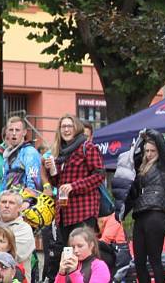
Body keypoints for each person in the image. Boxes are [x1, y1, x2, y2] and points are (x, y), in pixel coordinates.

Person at [43, 114, 105, 272]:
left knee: (84, 252)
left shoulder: (87, 147)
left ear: (76, 128)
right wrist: (53, 171)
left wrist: (74, 186)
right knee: (69, 253)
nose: (66, 129)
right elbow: (59, 183)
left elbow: (99, 175)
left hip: (83, 210)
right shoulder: (60, 151)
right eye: (63, 126)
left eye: (69, 126)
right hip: (65, 212)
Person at [117, 130, 165, 283]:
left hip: (156, 213)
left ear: (159, 151)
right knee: (139, 262)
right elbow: (131, 196)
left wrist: (147, 133)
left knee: (155, 260)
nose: (149, 154)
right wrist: (119, 214)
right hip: (140, 215)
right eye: (147, 150)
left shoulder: (163, 166)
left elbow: (160, 142)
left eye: (153, 150)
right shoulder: (140, 170)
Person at [0, 116, 42, 193]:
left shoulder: (30, 152)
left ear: (24, 132)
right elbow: (4, 182)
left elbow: (34, 182)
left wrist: (28, 201)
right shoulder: (7, 154)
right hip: (9, 201)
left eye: (17, 130)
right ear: (6, 132)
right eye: (11, 130)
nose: (14, 133)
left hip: (24, 201)